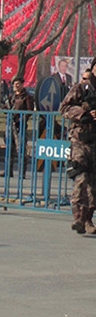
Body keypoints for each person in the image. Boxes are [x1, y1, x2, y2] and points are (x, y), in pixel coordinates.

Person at [60, 57, 96, 234]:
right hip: (80, 140)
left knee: (94, 185)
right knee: (80, 179)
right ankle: (78, 218)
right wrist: (84, 114)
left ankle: (88, 219)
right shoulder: (82, 89)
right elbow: (64, 107)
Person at [2, 76, 34, 178]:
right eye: (14, 84)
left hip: (20, 125)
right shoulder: (11, 97)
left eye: (18, 83)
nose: (16, 85)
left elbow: (30, 110)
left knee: (21, 150)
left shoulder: (27, 97)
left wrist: (21, 118)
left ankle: (21, 172)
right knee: (9, 149)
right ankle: (8, 170)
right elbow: (4, 108)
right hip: (10, 125)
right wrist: (7, 110)